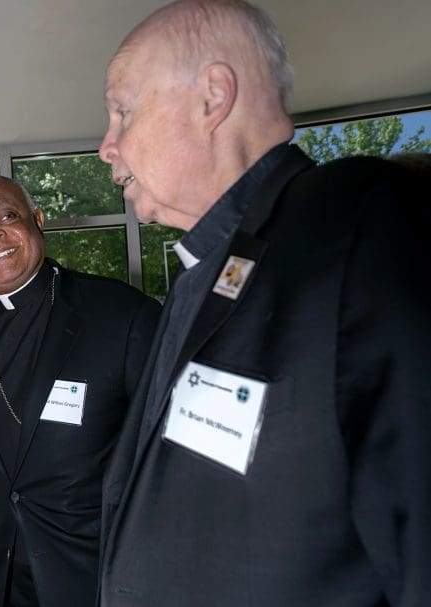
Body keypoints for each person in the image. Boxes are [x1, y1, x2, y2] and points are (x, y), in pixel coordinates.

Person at [96, 1, 431, 606]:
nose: (106, 146)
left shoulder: (359, 226)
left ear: (213, 97)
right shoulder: (208, 271)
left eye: (123, 111)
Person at [0, 175, 161, 606]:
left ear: (39, 221)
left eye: (7, 216)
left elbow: (165, 453)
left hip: (104, 567)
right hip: (13, 569)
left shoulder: (120, 313)